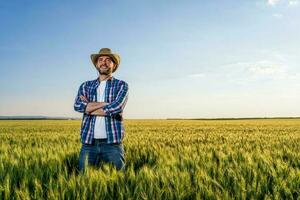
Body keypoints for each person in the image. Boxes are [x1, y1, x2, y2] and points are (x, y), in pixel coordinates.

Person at [74, 48, 129, 171]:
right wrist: (106, 104)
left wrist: (88, 107)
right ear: (97, 64)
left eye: (108, 60)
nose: (103, 62)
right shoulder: (86, 85)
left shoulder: (121, 85)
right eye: (100, 60)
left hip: (113, 143)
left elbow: (117, 107)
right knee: (84, 180)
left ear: (114, 65)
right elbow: (78, 106)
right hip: (89, 143)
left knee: (119, 181)